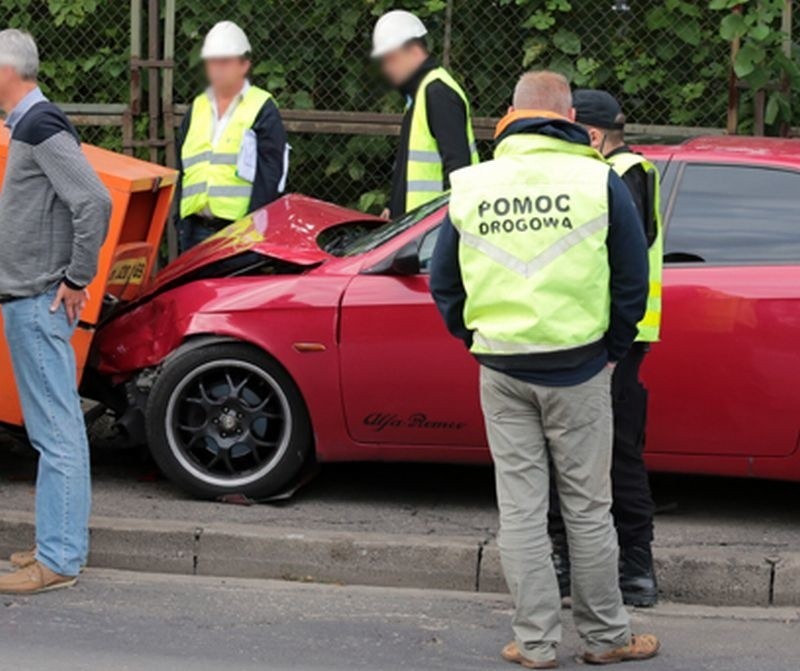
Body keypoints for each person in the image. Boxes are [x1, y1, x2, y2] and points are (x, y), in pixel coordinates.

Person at [430, 71, 659, 667]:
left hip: (502, 366)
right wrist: (612, 349)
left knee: (522, 511)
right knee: (588, 509)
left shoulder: (473, 184)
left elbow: (443, 282)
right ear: (570, 117)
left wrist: (475, 339)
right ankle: (607, 638)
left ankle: (534, 643)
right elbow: (631, 279)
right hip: (581, 368)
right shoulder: (598, 180)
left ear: (510, 114)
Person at [0, 29, 111, 594]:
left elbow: (93, 198)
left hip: (37, 300)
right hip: (32, 299)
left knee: (57, 434)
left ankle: (59, 561)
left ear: (7, 71)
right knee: (54, 430)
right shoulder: (29, 124)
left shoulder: (39, 125)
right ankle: (56, 547)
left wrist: (76, 277)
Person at [548, 89, 663, 608]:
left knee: (610, 457)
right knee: (598, 455)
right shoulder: (621, 174)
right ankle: (596, 566)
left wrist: (611, 341)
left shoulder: (619, 176)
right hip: (610, 336)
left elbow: (620, 266)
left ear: (591, 135)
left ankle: (630, 569)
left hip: (611, 340)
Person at [176, 20, 289, 252]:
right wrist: (179, 220)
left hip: (241, 232)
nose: (218, 68)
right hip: (194, 230)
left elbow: (271, 175)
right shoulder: (198, 107)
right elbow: (182, 169)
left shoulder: (261, 107)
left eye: (225, 61)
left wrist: (254, 228)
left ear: (244, 64)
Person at [371, 9, 478, 219]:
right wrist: (395, 208)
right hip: (418, 229)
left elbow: (458, 170)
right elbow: (411, 171)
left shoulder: (437, 92)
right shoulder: (421, 93)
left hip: (429, 234)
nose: (386, 68)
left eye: (391, 58)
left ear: (413, 50)